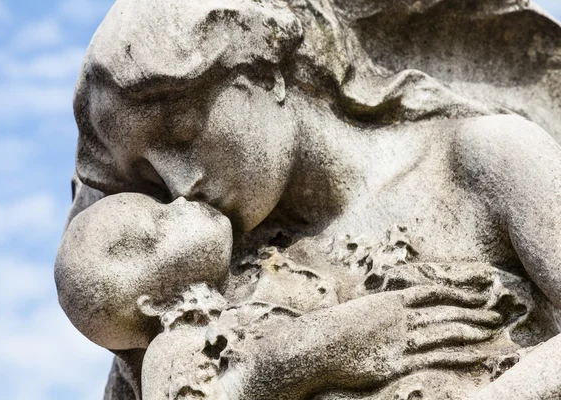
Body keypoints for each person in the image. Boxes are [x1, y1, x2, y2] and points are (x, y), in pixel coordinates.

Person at [63, 0, 561, 398]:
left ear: (265, 74)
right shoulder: (198, 287)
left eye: (184, 132)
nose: (178, 184)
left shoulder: (479, 158)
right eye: (148, 169)